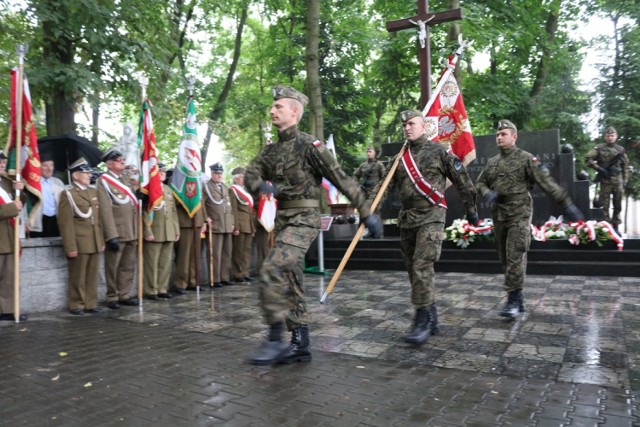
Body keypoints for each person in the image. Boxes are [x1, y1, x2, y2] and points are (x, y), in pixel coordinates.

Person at [244, 85, 382, 366]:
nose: (272, 110)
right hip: (283, 221)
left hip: (305, 219)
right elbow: (250, 173)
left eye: (278, 107)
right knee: (292, 279)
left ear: (294, 111)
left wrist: (366, 213)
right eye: (272, 107)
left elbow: (341, 177)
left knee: (271, 269)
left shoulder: (310, 145)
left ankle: (274, 340)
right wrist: (261, 185)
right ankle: (300, 343)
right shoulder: (270, 151)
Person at [370, 109, 478, 346]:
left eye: (411, 124)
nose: (407, 128)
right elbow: (382, 187)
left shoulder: (440, 152)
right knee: (412, 269)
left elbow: (463, 181)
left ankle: (421, 320)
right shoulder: (399, 158)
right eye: (404, 125)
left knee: (421, 265)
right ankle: (431, 315)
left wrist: (471, 209)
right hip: (407, 218)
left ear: (423, 126)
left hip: (432, 215)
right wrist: (369, 211)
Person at [476, 120, 584, 319]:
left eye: (504, 134)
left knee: (515, 251)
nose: (499, 137)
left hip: (520, 211)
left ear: (514, 136)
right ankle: (518, 296)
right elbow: (480, 182)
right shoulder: (492, 162)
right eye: (498, 134)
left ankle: (512, 299)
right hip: (499, 212)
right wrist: (487, 193)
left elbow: (546, 182)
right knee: (504, 256)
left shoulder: (527, 159)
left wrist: (567, 204)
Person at [57, 158, 104, 315]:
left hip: (94, 240)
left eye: (89, 173)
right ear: (76, 175)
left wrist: (101, 240)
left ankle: (91, 303)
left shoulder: (92, 192)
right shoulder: (68, 194)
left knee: (92, 275)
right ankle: (76, 304)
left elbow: (98, 220)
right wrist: (70, 246)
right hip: (79, 241)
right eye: (85, 173)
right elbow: (66, 223)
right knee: (78, 275)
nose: (89, 175)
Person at [96, 147, 139, 309]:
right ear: (109, 164)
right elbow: (105, 210)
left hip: (131, 229)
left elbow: (132, 203)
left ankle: (124, 294)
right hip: (117, 231)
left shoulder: (125, 180)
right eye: (117, 160)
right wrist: (111, 234)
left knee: (128, 265)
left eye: (122, 159)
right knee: (113, 266)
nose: (122, 161)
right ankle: (112, 296)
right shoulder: (103, 181)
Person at [143, 163, 180, 300]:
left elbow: (173, 212)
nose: (163, 173)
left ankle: (162, 288)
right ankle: (151, 290)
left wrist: (176, 230)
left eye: (164, 171)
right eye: (160, 171)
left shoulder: (168, 189)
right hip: (155, 230)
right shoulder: (148, 189)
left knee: (165, 263)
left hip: (168, 230)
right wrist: (147, 231)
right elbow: (145, 212)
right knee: (152, 263)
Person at [585, 126, 629, 233]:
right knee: (604, 205)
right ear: (605, 137)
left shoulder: (620, 150)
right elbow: (588, 159)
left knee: (617, 204)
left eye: (612, 135)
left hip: (618, 181)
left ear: (616, 136)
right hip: (605, 180)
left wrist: (625, 180)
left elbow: (625, 166)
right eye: (608, 136)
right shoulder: (599, 148)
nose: (610, 138)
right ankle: (606, 226)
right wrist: (599, 169)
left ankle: (616, 225)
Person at [0, 151, 27, 321]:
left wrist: (20, 191)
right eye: (0, 163)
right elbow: (11, 208)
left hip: (9, 236)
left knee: (9, 277)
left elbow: (19, 204)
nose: (2, 165)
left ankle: (8, 310)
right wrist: (12, 207)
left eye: (3, 163)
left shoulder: (6, 183)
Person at [203, 162, 234, 288]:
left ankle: (224, 277)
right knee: (215, 253)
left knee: (227, 252)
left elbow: (229, 207)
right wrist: (206, 218)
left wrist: (232, 222)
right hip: (215, 224)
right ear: (212, 174)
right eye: (216, 173)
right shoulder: (206, 186)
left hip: (226, 224)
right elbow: (202, 203)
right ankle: (215, 279)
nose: (219, 176)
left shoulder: (225, 187)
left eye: (220, 173)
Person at [174, 176, 207, 293]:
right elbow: (176, 201)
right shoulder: (179, 180)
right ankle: (181, 283)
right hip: (185, 222)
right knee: (184, 255)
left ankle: (193, 281)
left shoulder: (197, 181)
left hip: (197, 222)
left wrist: (204, 220)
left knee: (195, 255)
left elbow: (201, 203)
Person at [229, 167, 255, 284]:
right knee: (238, 250)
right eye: (241, 177)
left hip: (248, 224)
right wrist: (236, 226)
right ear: (235, 179)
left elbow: (250, 210)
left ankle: (245, 271)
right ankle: (237, 273)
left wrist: (252, 226)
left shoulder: (245, 191)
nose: (243, 179)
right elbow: (233, 209)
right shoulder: (233, 190)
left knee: (246, 250)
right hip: (240, 224)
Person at [29, 154, 65, 237]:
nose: (49, 169)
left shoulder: (58, 182)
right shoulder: (32, 183)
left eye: (51, 165)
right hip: (38, 222)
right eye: (45, 165)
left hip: (55, 221)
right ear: (38, 167)